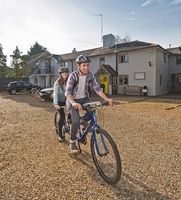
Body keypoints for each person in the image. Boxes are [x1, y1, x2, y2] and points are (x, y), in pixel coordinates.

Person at [65, 54, 113, 154]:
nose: (86, 67)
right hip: (73, 100)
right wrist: (73, 102)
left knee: (92, 112)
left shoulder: (90, 75)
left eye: (87, 65)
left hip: (84, 99)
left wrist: (107, 99)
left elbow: (97, 88)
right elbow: (68, 93)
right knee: (75, 121)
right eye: (84, 65)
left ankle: (85, 124)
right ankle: (72, 142)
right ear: (79, 66)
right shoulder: (72, 76)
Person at [53, 66, 69, 142]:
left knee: (72, 113)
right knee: (62, 116)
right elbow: (55, 95)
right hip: (58, 102)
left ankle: (68, 126)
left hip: (65, 101)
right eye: (63, 73)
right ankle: (60, 135)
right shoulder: (58, 83)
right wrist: (56, 104)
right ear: (61, 74)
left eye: (66, 73)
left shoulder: (69, 82)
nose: (65, 74)